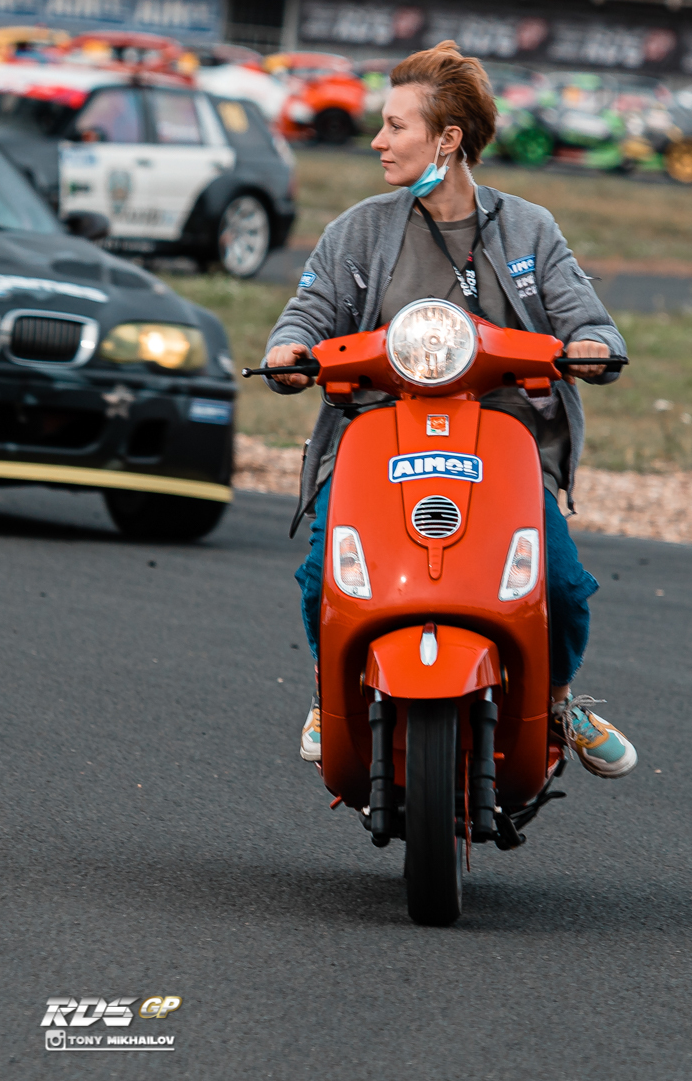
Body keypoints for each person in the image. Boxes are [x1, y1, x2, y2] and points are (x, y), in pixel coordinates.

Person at [261, 41, 638, 781]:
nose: (378, 140)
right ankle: (329, 693)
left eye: (396, 126)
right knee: (321, 577)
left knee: (561, 585)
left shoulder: (529, 228)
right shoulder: (357, 230)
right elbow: (308, 311)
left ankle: (556, 700)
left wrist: (592, 345)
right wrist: (288, 349)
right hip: (377, 440)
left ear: (447, 139)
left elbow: (587, 319)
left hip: (502, 446)